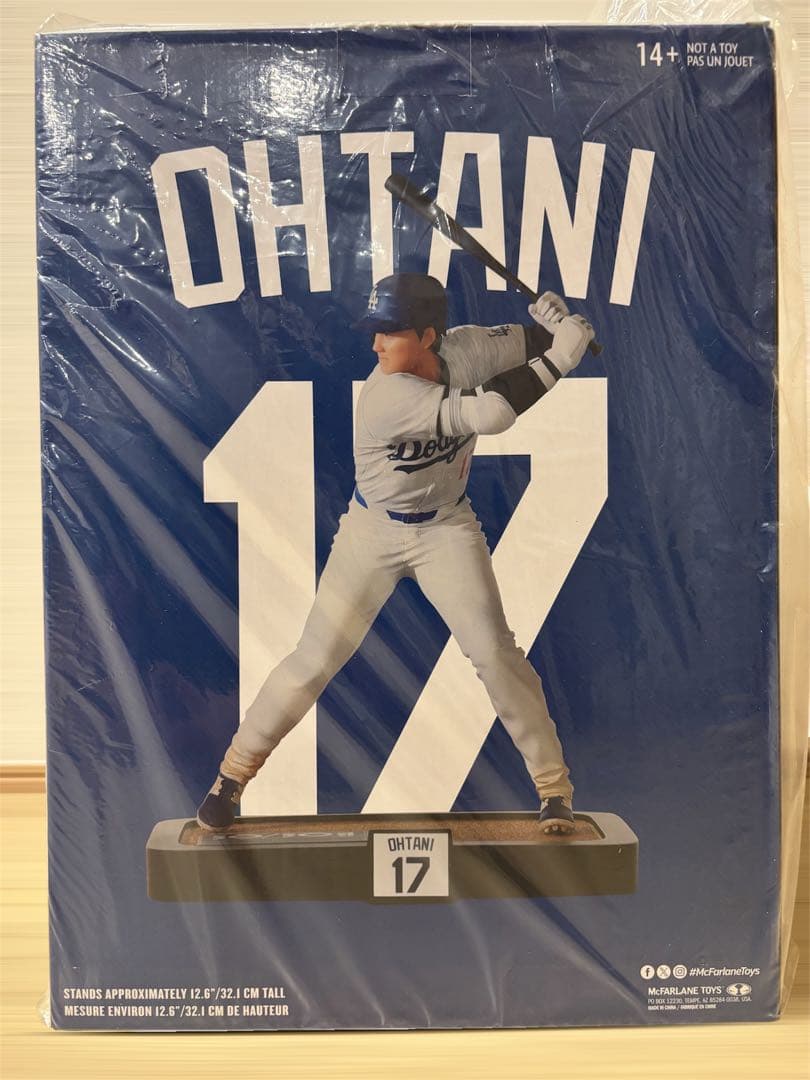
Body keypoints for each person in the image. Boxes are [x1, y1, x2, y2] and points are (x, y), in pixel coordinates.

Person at [197, 273, 595, 834]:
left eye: (391, 332)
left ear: (430, 336)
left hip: (447, 528)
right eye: (376, 332)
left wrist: (554, 324)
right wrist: (562, 357)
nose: (376, 345)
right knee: (313, 659)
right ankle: (232, 776)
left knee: (495, 654)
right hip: (373, 533)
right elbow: (493, 414)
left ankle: (554, 789)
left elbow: (535, 342)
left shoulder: (469, 347)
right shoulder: (385, 396)